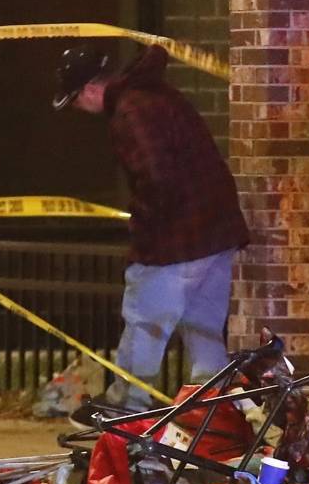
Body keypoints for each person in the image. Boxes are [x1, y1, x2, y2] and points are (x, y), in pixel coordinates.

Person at [53, 44, 249, 409]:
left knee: (144, 324)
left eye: (77, 101)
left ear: (91, 90)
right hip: (216, 234)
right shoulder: (158, 95)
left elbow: (157, 179)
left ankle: (127, 406)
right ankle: (214, 412)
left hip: (176, 241)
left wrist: (143, 238)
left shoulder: (130, 113)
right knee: (204, 331)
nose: (80, 110)